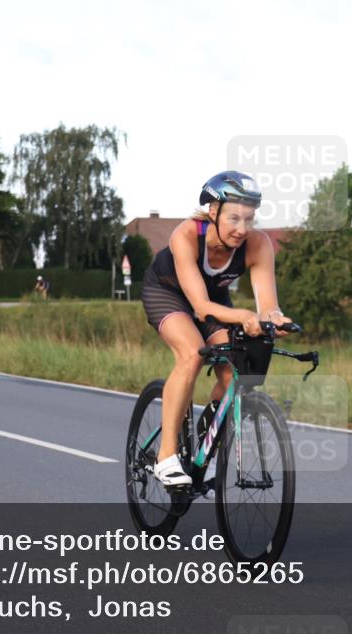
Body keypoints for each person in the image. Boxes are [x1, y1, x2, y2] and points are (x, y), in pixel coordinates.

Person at [141, 170, 292, 489]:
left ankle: (205, 448)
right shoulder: (186, 235)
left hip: (214, 298)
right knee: (192, 355)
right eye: (234, 218)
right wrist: (241, 315)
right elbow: (200, 306)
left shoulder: (258, 244)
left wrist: (275, 318)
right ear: (213, 211)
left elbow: (268, 304)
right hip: (168, 292)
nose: (242, 229)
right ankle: (165, 456)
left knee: (234, 370)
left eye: (249, 219)